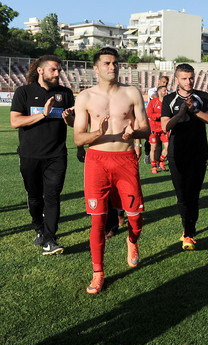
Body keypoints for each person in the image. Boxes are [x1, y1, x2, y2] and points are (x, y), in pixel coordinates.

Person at [73, 47, 150, 294]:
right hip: (97, 161)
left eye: (115, 63)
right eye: (106, 63)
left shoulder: (131, 92)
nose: (112, 67)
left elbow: (146, 129)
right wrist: (98, 132)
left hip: (125, 159)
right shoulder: (84, 97)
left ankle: (132, 240)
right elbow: (77, 138)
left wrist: (134, 133)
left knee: (136, 217)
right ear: (96, 68)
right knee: (97, 221)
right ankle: (98, 272)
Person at [10, 55, 75, 255]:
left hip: (56, 155)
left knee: (53, 196)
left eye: (59, 71)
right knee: (35, 197)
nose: (57, 74)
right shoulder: (24, 92)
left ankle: (50, 240)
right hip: (30, 155)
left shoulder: (65, 94)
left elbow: (74, 123)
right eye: (53, 70)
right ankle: (39, 228)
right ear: (40, 70)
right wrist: (43, 114)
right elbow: (15, 122)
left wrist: (69, 118)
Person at [161, 63, 208, 250]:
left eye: (191, 77)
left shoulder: (203, 96)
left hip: (199, 153)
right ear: (176, 79)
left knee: (193, 195)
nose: (189, 81)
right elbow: (165, 127)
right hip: (177, 154)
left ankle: (188, 233)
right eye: (184, 78)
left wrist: (194, 111)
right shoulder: (169, 99)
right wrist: (181, 113)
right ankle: (187, 228)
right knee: (182, 196)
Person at [146, 85, 169, 174]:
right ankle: (154, 166)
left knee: (168, 147)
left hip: (164, 129)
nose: (166, 92)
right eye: (164, 90)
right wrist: (161, 115)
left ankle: (160, 161)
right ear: (159, 92)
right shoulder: (153, 102)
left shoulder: (167, 102)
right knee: (154, 148)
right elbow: (150, 115)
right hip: (154, 129)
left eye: (166, 90)